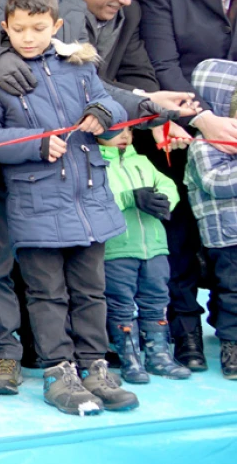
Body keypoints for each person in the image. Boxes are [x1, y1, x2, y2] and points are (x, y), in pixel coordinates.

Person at [0, 0, 138, 416]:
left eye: (39, 28)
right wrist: (36, 143)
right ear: (6, 28)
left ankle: (95, 367)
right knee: (47, 294)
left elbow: (108, 101)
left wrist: (103, 114)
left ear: (56, 26)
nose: (29, 37)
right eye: (20, 29)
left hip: (88, 201)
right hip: (35, 206)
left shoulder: (77, 67)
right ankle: (58, 372)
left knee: (91, 292)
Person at [137, 0, 237, 371]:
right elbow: (164, 65)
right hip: (174, 136)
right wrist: (202, 120)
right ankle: (185, 334)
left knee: (230, 242)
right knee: (179, 238)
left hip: (231, 138)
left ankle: (230, 329)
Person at [96, 127, 191, 383]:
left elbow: (169, 184)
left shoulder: (143, 160)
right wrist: (128, 198)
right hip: (118, 248)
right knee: (120, 305)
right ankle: (130, 360)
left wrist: (164, 199)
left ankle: (159, 357)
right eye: (115, 129)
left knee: (157, 300)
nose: (124, 134)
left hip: (155, 245)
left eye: (128, 129)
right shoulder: (95, 163)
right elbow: (94, 200)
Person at [186, 58, 237, 379]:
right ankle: (232, 342)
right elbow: (215, 182)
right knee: (232, 289)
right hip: (227, 235)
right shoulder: (206, 145)